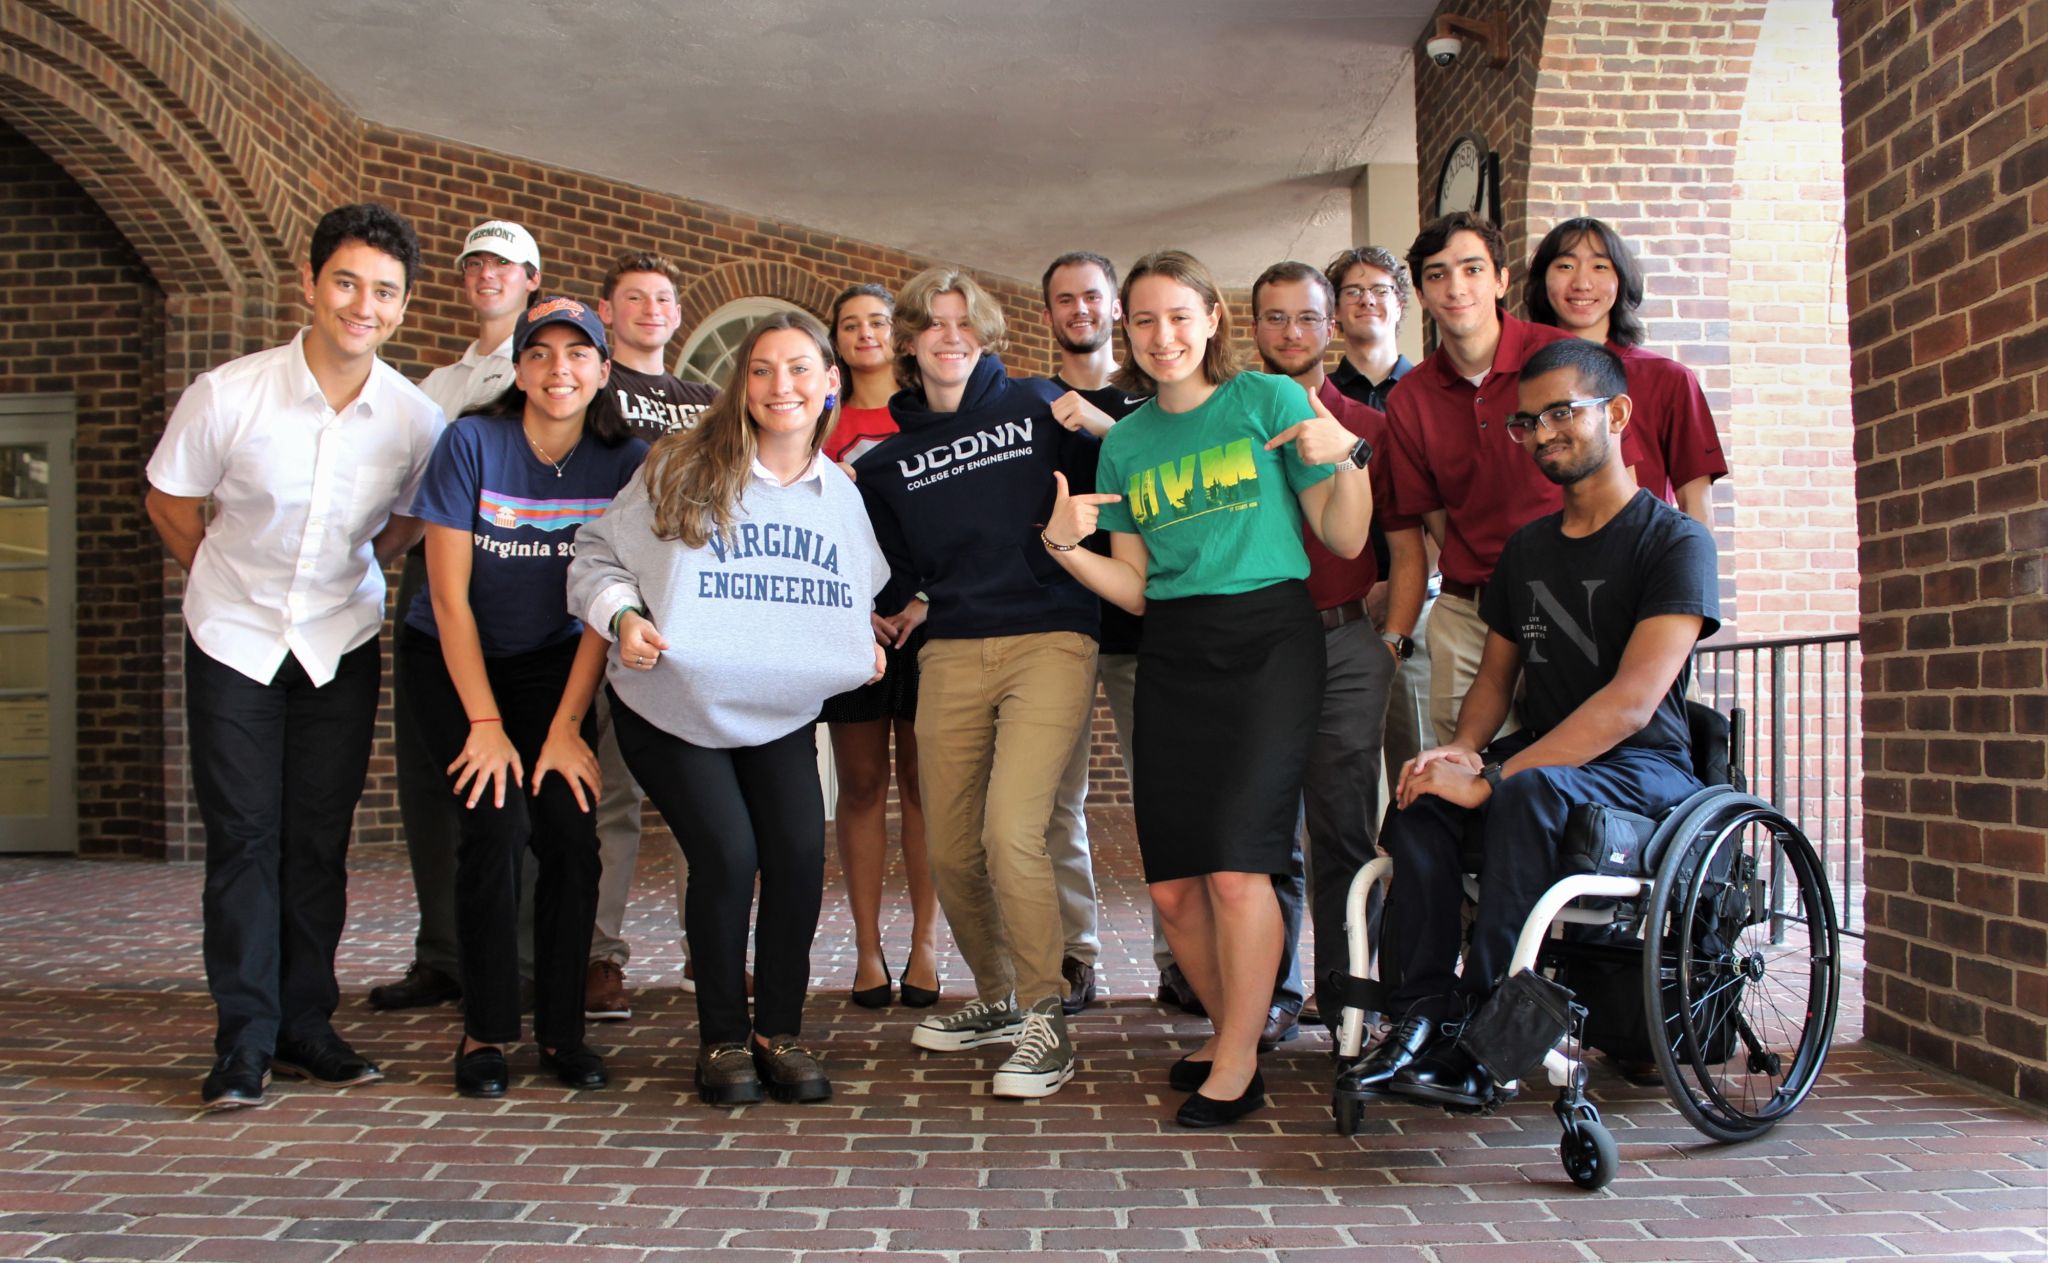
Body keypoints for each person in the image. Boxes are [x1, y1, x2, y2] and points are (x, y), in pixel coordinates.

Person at [1342, 338, 1719, 1108]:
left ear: (1615, 413)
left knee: (1528, 794)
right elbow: (1494, 680)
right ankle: (1420, 1015)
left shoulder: (1675, 541)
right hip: (1552, 759)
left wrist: (1502, 774)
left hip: (1647, 765)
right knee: (1420, 796)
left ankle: (1491, 1039)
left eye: (1561, 413)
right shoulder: (1526, 550)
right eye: (1526, 422)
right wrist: (1460, 751)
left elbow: (1632, 704)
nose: (1542, 432)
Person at [1043, 250, 1372, 1127]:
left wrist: (1351, 457)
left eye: (1179, 316)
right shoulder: (1129, 442)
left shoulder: (1265, 400)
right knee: (1174, 886)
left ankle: (1238, 1059)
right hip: (1177, 650)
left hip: (1270, 641)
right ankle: (1232, 1027)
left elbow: (1342, 537)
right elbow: (1139, 586)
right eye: (1143, 321)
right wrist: (1065, 549)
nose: (1162, 336)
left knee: (1237, 868)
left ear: (1212, 319)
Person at [144, 203, 443, 1110]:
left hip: (337, 642)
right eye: (346, 282)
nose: (363, 304)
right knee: (243, 837)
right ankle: (244, 1035)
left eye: (384, 292)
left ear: (401, 308)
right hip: (233, 638)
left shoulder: (414, 418)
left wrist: (347, 578)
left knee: (318, 840)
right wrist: (224, 579)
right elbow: (169, 501)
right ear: (310, 286)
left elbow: (407, 520)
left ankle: (307, 1024)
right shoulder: (227, 392)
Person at [568, 311, 888, 1107]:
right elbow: (594, 554)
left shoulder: (838, 497)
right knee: (728, 852)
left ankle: (777, 1031)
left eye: (800, 370)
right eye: (763, 370)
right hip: (670, 704)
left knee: (796, 858)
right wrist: (621, 617)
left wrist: (863, 641)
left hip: (776, 711)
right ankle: (719, 1037)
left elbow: (850, 598)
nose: (782, 385)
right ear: (743, 385)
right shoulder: (680, 465)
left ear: (828, 385)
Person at [852, 267, 1101, 1100]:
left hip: (1051, 636)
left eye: (965, 323)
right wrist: (896, 607)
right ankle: (995, 994)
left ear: (984, 335)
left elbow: (1122, 475)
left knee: (1012, 832)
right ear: (910, 341)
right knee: (950, 845)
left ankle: (1044, 1015)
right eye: (932, 324)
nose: (950, 336)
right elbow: (889, 573)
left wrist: (1099, 425)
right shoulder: (887, 463)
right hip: (952, 648)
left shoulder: (1039, 406)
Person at [404, 295, 647, 1097]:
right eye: (540, 353)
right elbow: (448, 599)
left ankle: (562, 1032)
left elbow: (607, 606)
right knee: (494, 826)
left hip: (558, 663)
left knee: (572, 838)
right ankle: (485, 1029)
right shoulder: (471, 442)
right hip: (455, 657)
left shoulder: (625, 461)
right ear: (517, 368)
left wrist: (568, 726)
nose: (558, 369)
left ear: (603, 370)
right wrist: (485, 723)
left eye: (578, 354)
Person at [1249, 259, 1426, 1036]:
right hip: (1256, 647)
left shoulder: (1374, 429)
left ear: (1332, 326)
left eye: (1307, 317)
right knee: (1264, 828)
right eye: (1275, 317)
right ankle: (1273, 992)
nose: (1292, 332)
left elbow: (1405, 548)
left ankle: (1345, 992)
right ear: (1252, 327)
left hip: (1346, 641)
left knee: (1345, 827)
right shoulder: (1233, 423)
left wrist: (1387, 639)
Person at [372, 218, 543, 1013]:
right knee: (433, 781)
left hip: (524, 583)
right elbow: (412, 503)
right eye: (475, 263)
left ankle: (523, 957)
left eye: (504, 266)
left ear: (531, 279)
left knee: (526, 784)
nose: (487, 276)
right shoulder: (433, 386)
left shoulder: (551, 365)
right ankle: (442, 952)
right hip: (433, 586)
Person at [581, 251, 720, 1023]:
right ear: (606, 309)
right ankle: (602, 955)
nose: (651, 309)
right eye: (633, 297)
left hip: (690, 617)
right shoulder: (592, 384)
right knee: (615, 796)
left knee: (703, 799)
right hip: (613, 609)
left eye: (663, 298)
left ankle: (709, 939)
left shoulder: (706, 398)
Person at [1381, 212, 1576, 748]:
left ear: (1501, 280)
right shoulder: (1410, 399)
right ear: (1420, 293)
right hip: (1470, 612)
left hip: (1573, 594)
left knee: (1575, 764)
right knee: (1472, 769)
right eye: (1437, 275)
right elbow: (1436, 520)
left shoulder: (1560, 360)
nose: (1456, 287)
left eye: (1471, 268)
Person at [815, 283, 941, 1012]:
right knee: (860, 786)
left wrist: (924, 601)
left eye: (878, 322)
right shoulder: (818, 420)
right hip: (846, 623)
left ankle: (926, 942)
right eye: (850, 324)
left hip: (930, 620)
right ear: (835, 338)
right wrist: (855, 608)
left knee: (927, 787)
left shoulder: (927, 414)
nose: (864, 333)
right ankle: (866, 948)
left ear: (898, 335)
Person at [1038, 250, 1141, 1016]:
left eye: (1093, 296)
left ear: (1115, 307)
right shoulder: (1027, 403)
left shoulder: (1156, 402)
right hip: (1061, 620)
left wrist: (1110, 427)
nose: (1080, 309)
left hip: (1146, 619)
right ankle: (1076, 954)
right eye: (1065, 299)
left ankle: (1178, 957)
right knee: (1056, 802)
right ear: (1050, 314)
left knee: (1164, 794)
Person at [1526, 216, 1728, 529]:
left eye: (1600, 266)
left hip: (1642, 561)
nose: (1581, 283)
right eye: (1565, 266)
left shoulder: (1668, 379)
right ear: (1543, 280)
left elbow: (1696, 504)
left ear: (1621, 279)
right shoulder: (1520, 382)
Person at [1325, 246, 1435, 785]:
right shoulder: (1314, 398)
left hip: (1416, 601)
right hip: (1335, 608)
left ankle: (1414, 872)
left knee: (1415, 760)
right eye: (1352, 292)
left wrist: (1397, 589)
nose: (1367, 299)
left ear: (1400, 305)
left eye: (1380, 290)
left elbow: (1441, 503)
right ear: (1336, 313)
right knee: (1341, 772)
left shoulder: (1429, 394)